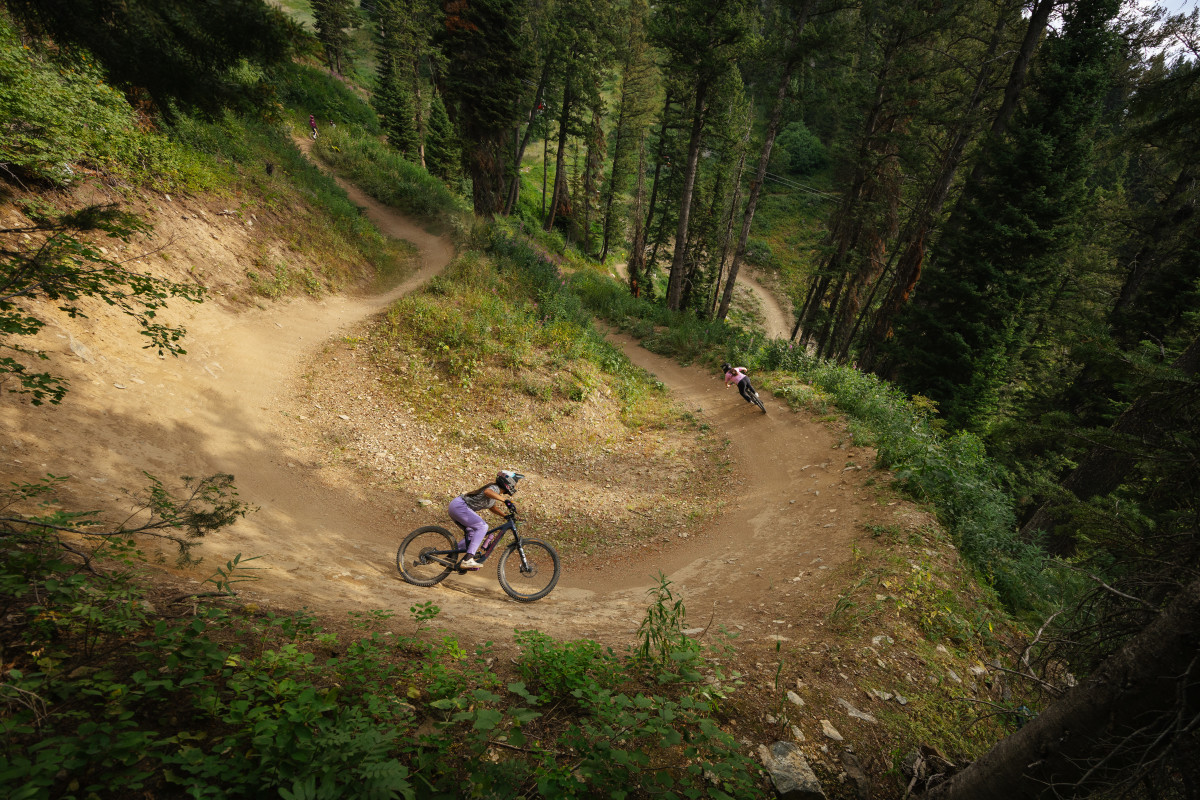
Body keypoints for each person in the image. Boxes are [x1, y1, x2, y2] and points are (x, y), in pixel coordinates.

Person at [449, 470, 523, 569]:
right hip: (460, 506)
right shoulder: (494, 488)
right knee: (482, 527)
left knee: (472, 536)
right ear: (508, 482)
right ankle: (467, 560)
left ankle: (449, 558)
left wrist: (505, 515)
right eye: (515, 483)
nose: (514, 486)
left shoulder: (495, 493)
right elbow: (487, 492)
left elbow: (492, 507)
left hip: (457, 507)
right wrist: (505, 500)